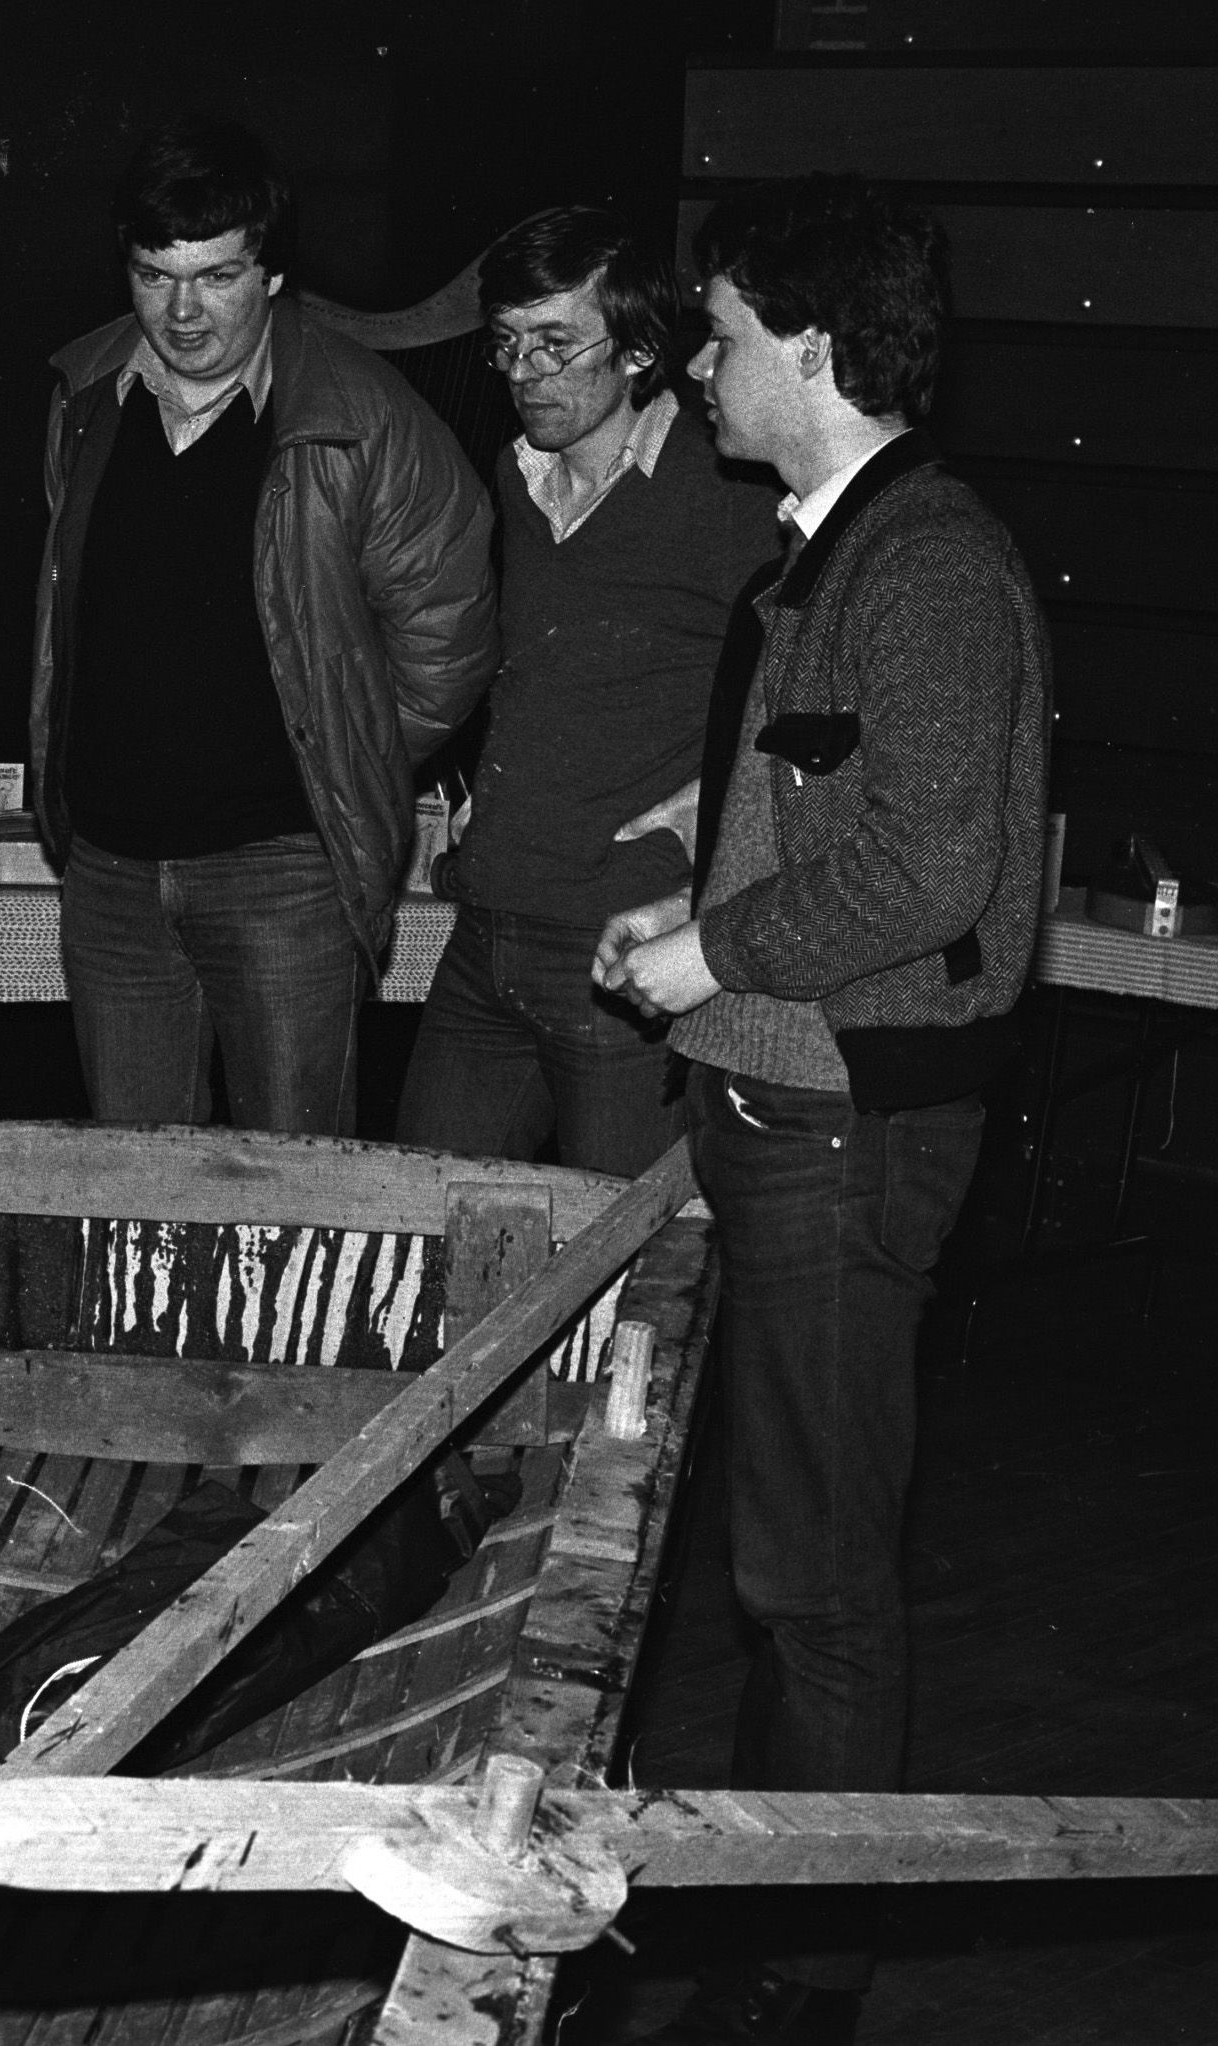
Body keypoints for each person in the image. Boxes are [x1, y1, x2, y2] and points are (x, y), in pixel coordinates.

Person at [595, 174, 1048, 2044]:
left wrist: (714, 960)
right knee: (776, 1557)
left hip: (845, 1128)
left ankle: (801, 1974)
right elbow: (835, 817)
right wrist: (698, 910)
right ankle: (746, 1917)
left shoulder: (924, 565)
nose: (694, 366)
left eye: (713, 335)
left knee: (814, 1573)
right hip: (786, 1106)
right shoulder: (829, 549)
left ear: (806, 346)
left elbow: (932, 868)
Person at [30, 115, 498, 1134]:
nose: (184, 309)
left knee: (292, 1212)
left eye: (218, 276)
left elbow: (449, 639)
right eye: (155, 274)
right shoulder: (85, 397)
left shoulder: (367, 417)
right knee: (133, 1206)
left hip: (284, 877)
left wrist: (329, 762)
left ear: (275, 275)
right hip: (110, 873)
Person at [396, 206, 781, 1175]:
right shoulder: (512, 477)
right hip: (486, 938)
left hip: (622, 948)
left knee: (623, 1271)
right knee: (415, 1233)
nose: (526, 374)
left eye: (557, 344)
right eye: (508, 346)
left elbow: (803, 689)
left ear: (641, 349)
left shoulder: (726, 485)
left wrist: (708, 826)